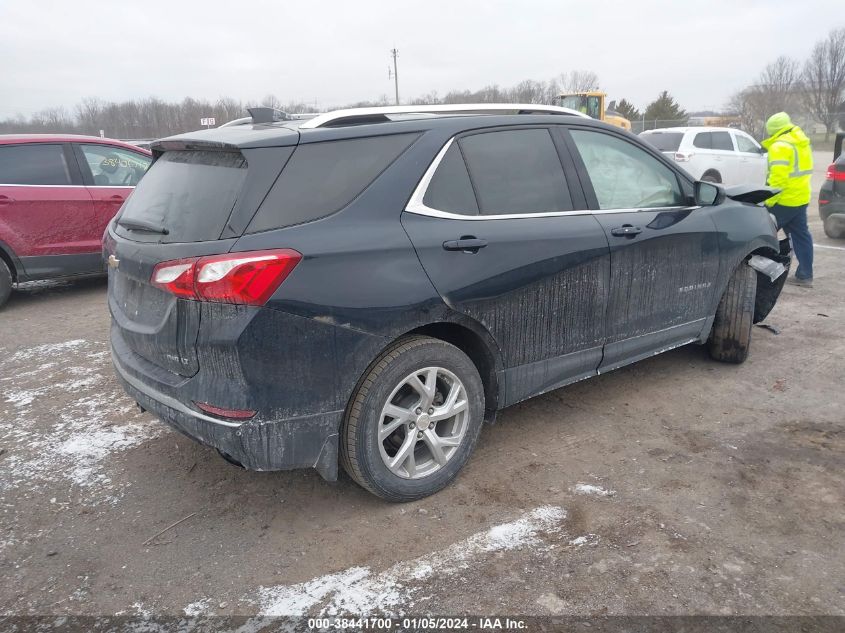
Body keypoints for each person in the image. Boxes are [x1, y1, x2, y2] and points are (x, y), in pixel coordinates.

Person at [761, 112, 814, 287]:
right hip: (800, 198)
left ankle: (763, 275)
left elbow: (778, 179)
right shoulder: (801, 142)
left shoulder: (780, 146)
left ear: (773, 131)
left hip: (783, 201)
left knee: (761, 234)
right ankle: (805, 274)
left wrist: (767, 202)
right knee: (801, 236)